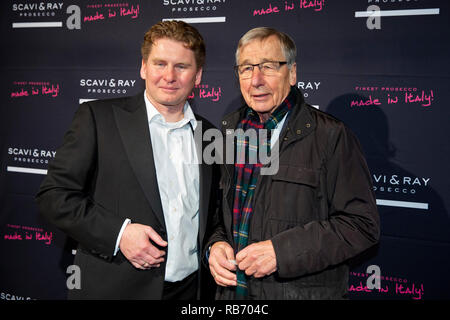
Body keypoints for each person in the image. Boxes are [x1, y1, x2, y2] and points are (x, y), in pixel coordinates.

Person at [36, 20, 219, 300]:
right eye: (159, 63)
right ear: (143, 67)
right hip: (116, 290)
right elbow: (54, 196)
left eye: (181, 66)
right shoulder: (98, 118)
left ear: (198, 76)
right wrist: (119, 235)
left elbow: (213, 213)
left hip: (190, 291)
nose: (169, 76)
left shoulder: (210, 135)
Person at [206, 27, 380, 299]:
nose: (256, 80)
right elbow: (218, 216)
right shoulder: (230, 132)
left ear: (293, 73)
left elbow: (361, 225)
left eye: (269, 67)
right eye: (247, 68)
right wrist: (215, 246)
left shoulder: (331, 136)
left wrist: (282, 252)